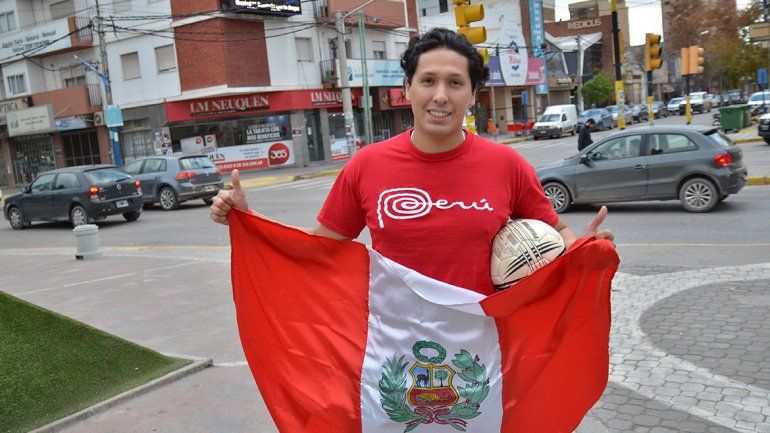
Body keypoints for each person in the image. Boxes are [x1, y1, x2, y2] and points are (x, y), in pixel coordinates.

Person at [210, 28, 614, 296]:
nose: (440, 95)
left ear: (473, 94)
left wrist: (586, 248)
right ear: (407, 89)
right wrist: (251, 220)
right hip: (396, 349)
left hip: (489, 344)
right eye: (428, 81)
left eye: (455, 83)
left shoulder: (507, 164)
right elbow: (319, 246)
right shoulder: (366, 166)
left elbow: (557, 234)